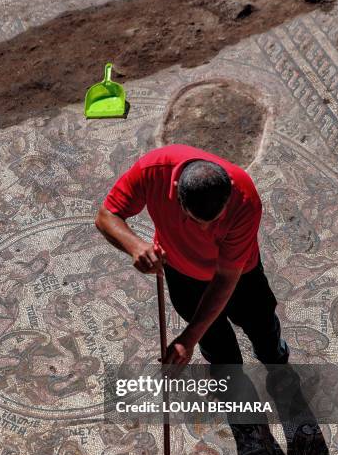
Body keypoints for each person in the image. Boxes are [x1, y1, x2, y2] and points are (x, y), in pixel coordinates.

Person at [95, 144, 289, 367]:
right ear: (177, 194)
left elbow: (226, 277)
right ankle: (229, 382)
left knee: (262, 327)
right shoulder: (152, 170)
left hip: (241, 275)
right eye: (196, 220)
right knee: (215, 343)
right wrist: (135, 246)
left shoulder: (244, 198)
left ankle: (276, 360)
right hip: (182, 274)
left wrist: (188, 339)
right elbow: (106, 216)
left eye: (215, 220)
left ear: (229, 193)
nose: (206, 231)